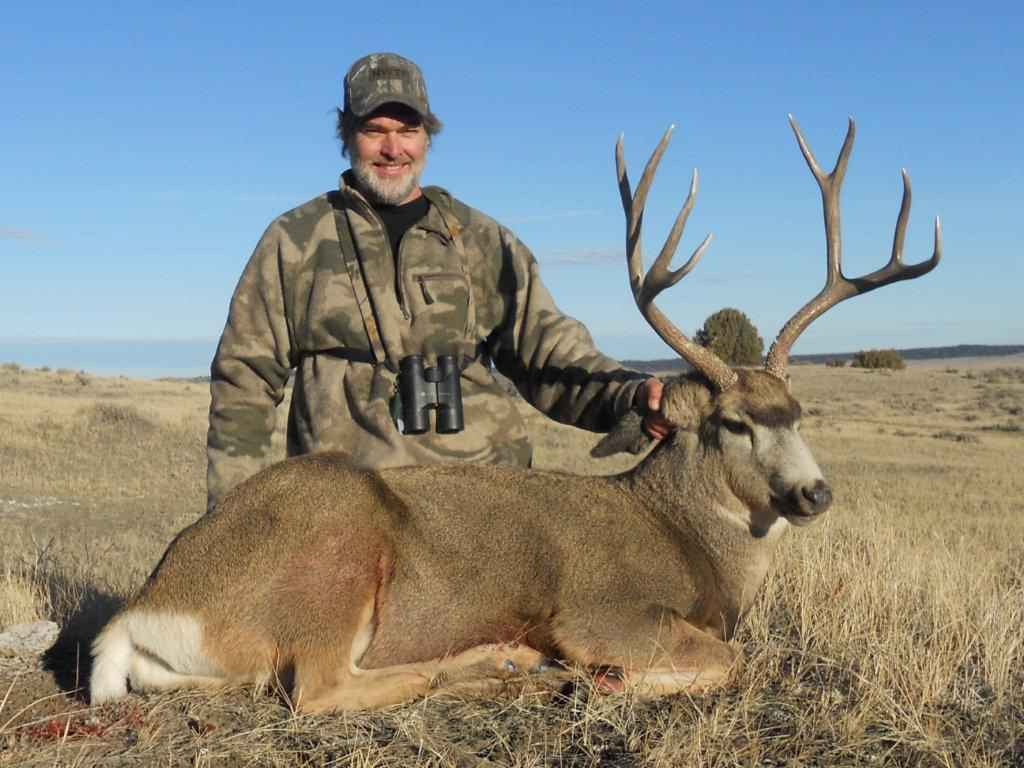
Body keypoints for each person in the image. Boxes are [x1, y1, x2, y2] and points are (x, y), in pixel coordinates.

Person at [206, 52, 671, 511]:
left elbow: (547, 349)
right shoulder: (294, 239)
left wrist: (629, 393)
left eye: (408, 130)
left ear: (428, 136)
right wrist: (231, 520)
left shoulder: (483, 238)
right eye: (375, 131)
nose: (393, 149)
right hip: (345, 512)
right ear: (346, 135)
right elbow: (244, 379)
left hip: (483, 502)